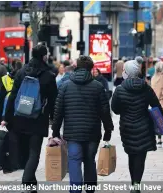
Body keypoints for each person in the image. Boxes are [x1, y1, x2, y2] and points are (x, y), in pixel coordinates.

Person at [52, 56, 114, 193]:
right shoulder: (97, 87)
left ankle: (75, 190)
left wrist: (55, 131)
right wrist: (108, 129)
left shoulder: (65, 86)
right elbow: (105, 110)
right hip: (92, 132)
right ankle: (90, 189)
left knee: (74, 159)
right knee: (89, 160)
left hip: (72, 133)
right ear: (91, 69)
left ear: (76, 67)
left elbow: (58, 112)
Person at [3, 44, 57, 191]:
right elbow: (53, 101)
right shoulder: (49, 75)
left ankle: (31, 185)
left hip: (19, 117)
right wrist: (54, 122)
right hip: (38, 119)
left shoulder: (21, 72)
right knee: (34, 152)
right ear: (44, 56)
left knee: (25, 152)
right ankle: (27, 181)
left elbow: (13, 96)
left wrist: (6, 117)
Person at [111, 60, 163, 190]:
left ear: (127, 73)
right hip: (144, 127)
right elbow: (156, 106)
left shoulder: (120, 89)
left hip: (127, 127)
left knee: (132, 155)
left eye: (124, 70)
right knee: (141, 158)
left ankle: (133, 184)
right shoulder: (146, 87)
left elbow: (115, 109)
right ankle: (136, 184)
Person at [0, 59, 22, 126]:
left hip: (9, 107)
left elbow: (1, 99)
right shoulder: (25, 77)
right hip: (22, 105)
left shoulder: (5, 78)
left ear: (12, 66)